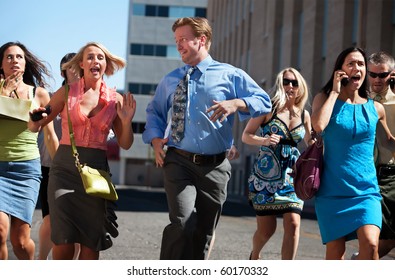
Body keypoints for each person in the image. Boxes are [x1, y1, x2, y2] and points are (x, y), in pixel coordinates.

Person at [142, 17, 272, 260]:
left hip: (216, 168)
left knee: (204, 232)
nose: (178, 45)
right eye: (176, 40)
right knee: (182, 222)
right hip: (178, 161)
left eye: (183, 39)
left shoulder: (230, 75)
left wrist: (237, 102)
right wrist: (156, 140)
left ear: (201, 40)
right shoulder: (171, 79)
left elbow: (264, 101)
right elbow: (155, 113)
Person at [28, 42, 136, 260]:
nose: (95, 61)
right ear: (81, 64)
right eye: (90, 57)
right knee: (64, 240)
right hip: (64, 171)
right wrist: (34, 118)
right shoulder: (66, 92)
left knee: (90, 243)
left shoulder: (115, 100)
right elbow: (35, 126)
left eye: (100, 57)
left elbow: (125, 144)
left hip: (96, 175)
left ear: (106, 65)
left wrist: (126, 122)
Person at [311, 47, 395, 260]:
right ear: (340, 70)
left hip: (366, 190)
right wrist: (334, 91)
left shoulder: (376, 108)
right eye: (350, 63)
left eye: (360, 64)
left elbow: (389, 142)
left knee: (371, 245)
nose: (356, 68)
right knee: (335, 252)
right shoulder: (324, 99)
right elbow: (319, 125)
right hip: (332, 192)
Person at [242, 67, 314, 260]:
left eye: (294, 82)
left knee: (293, 224)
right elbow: (246, 135)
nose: (290, 86)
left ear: (300, 87)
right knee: (267, 231)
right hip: (265, 178)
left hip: (292, 176)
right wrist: (264, 140)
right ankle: (254, 256)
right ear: (280, 84)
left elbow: (310, 142)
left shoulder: (304, 115)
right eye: (286, 81)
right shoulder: (267, 108)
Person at [0, 41, 58, 260]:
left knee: (21, 241)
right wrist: (3, 92)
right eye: (9, 57)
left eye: (19, 57)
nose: (14, 60)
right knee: (0, 230)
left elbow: (50, 136)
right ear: (1, 63)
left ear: (25, 63)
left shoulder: (40, 94)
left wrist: (62, 168)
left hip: (25, 171)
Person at [37, 52, 79, 260]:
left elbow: (106, 133)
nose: (73, 71)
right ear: (63, 70)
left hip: (81, 169)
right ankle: (41, 260)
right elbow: (40, 129)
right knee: (50, 219)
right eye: (68, 67)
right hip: (51, 167)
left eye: (76, 66)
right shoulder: (53, 97)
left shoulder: (91, 98)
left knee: (79, 224)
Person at [359, 51, 395, 258]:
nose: (376, 79)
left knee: (385, 240)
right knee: (372, 238)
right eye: (372, 74)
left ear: (392, 75)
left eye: (382, 75)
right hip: (365, 175)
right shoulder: (359, 101)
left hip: (390, 175)